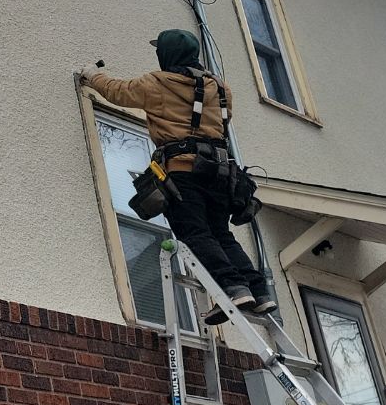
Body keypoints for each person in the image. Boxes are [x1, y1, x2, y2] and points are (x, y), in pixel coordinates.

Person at [82, 28, 276, 324]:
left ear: (167, 54)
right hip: (221, 175)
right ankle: (258, 292)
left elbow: (119, 92)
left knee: (195, 233)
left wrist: (90, 76)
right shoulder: (220, 88)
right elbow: (222, 124)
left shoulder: (159, 83)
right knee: (221, 234)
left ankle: (232, 287)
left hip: (184, 171)